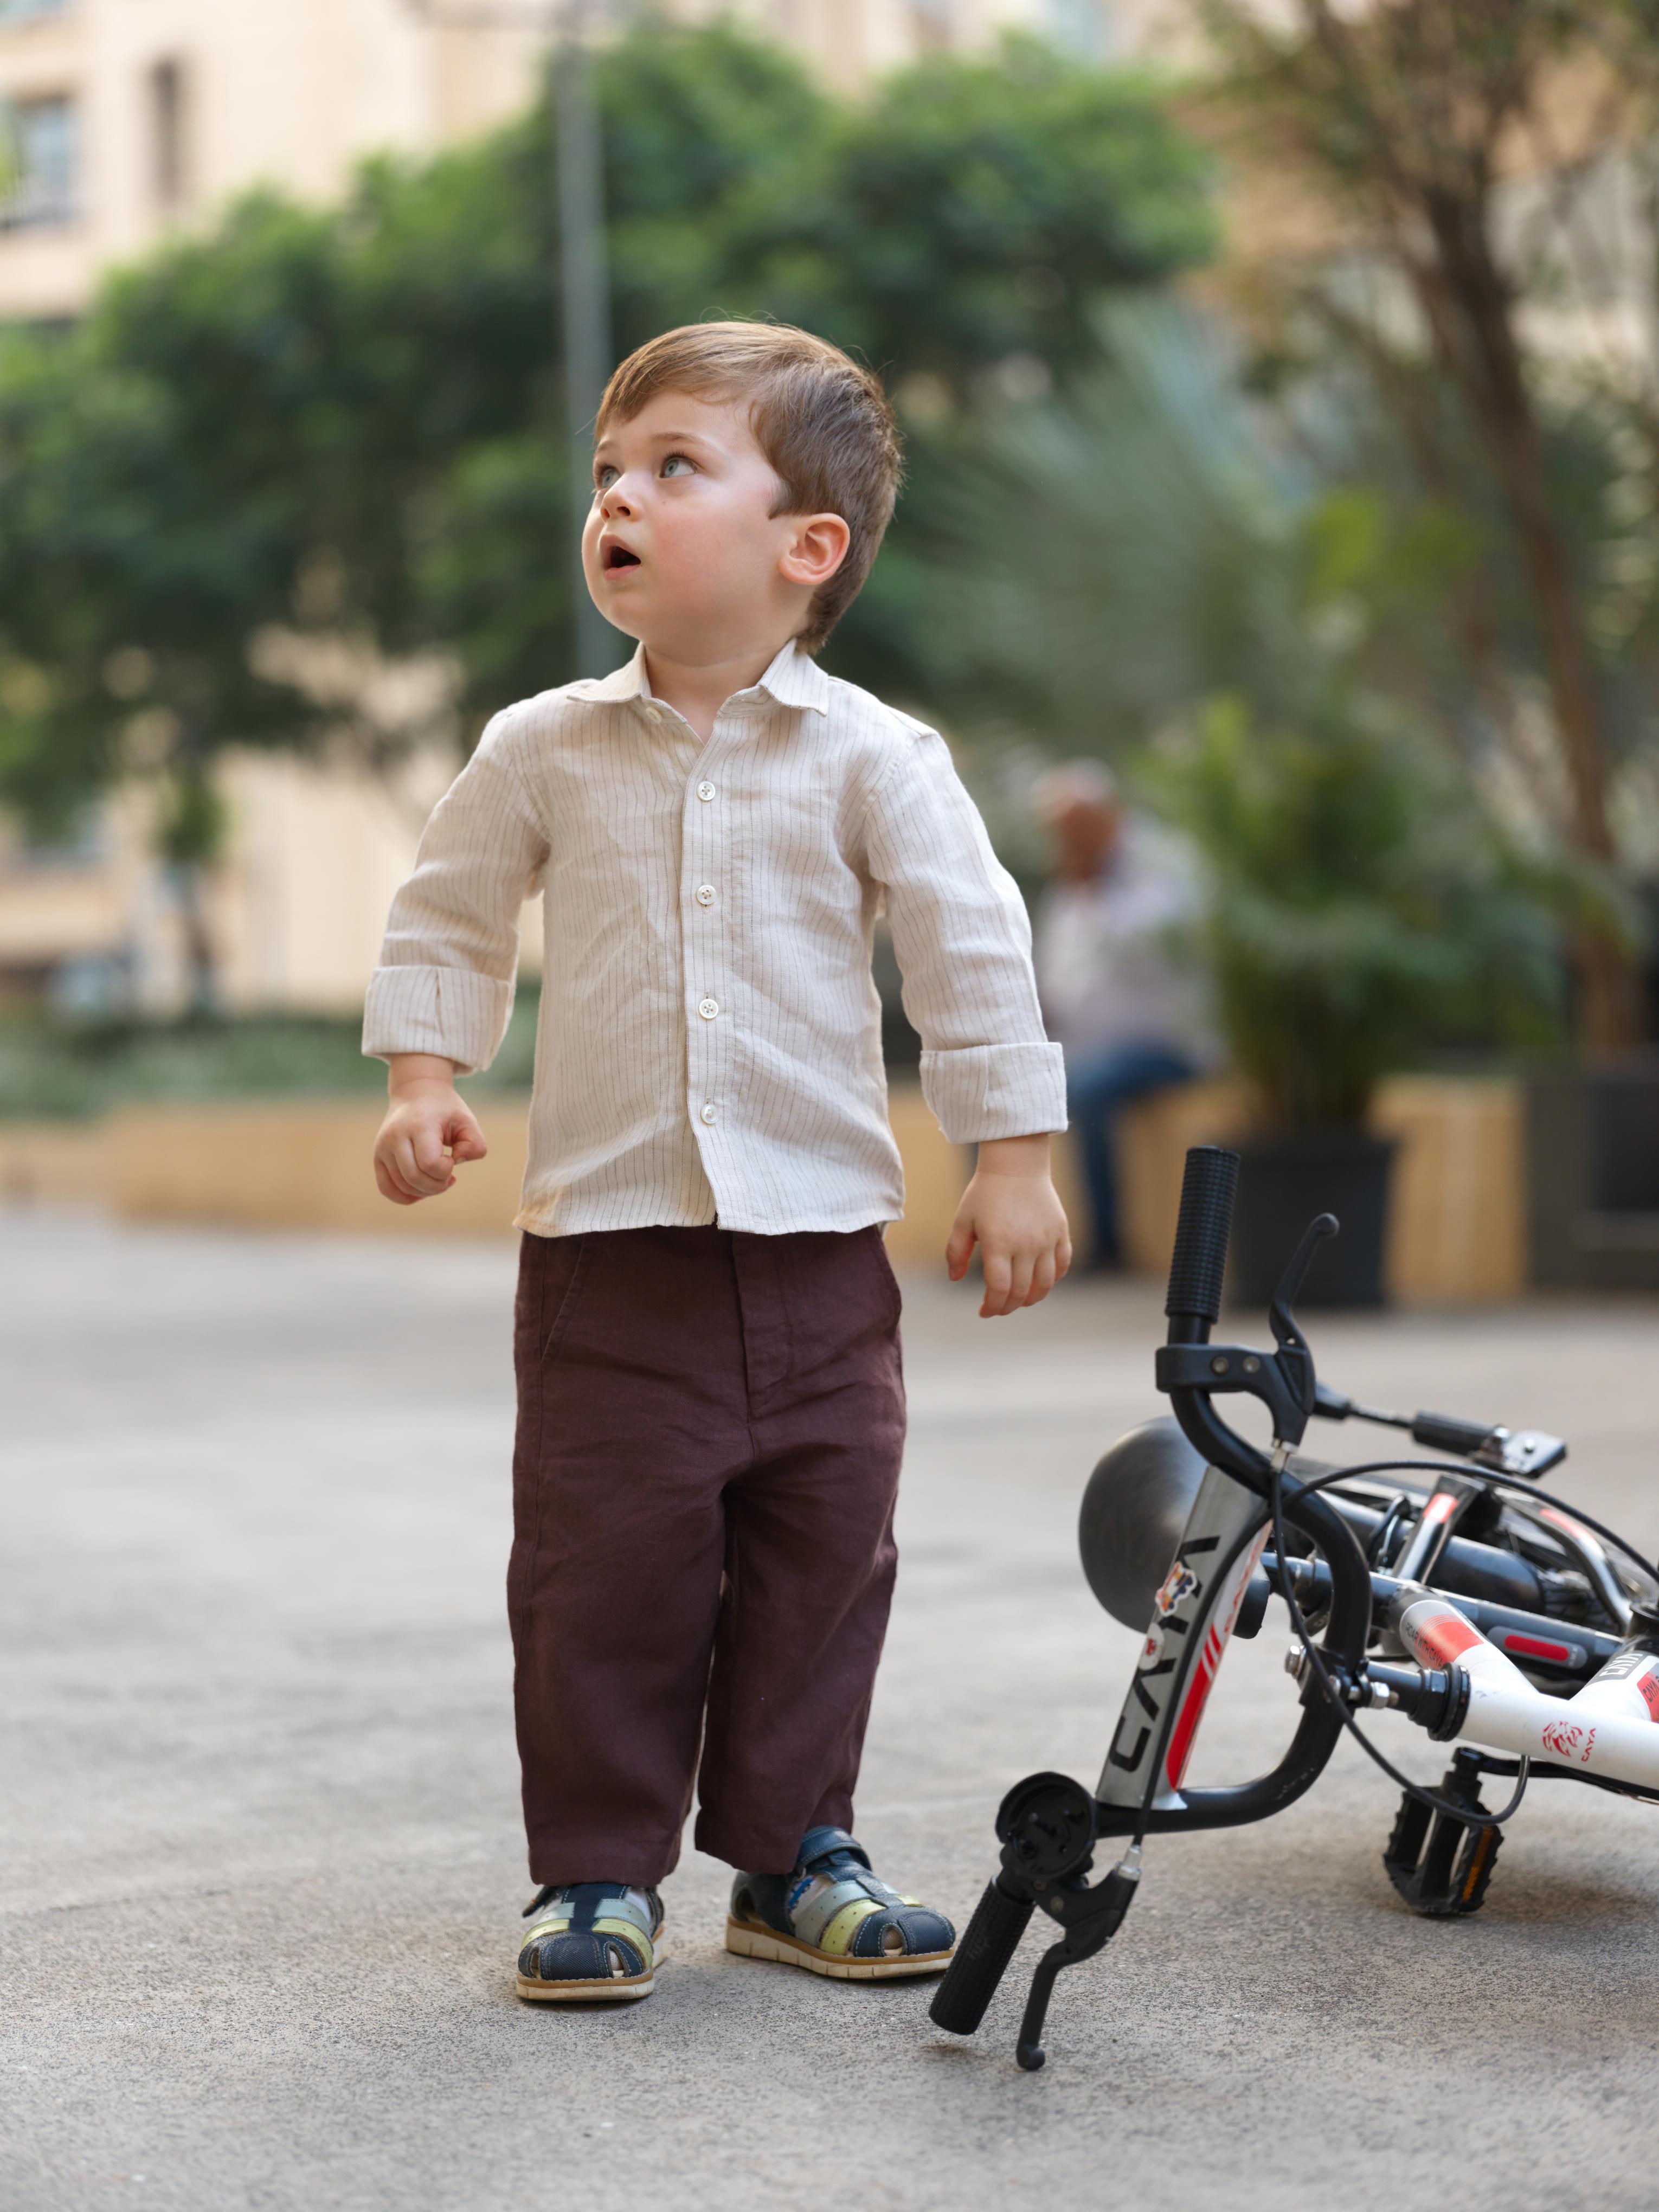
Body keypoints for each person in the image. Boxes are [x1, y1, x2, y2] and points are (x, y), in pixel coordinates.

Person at [363, 322, 1071, 2004]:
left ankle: (795, 1852)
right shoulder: (542, 744)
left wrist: (1015, 1157)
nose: (618, 495)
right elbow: (449, 907)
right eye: (608, 472)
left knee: (825, 1561)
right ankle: (598, 1872)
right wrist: (419, 1074)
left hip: (823, 1255)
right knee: (604, 1568)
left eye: (673, 466)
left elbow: (971, 947)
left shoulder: (877, 757)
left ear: (803, 547)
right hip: (611, 1258)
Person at [1031, 761, 1209, 1269]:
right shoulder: (1073, 878)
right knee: (1000, 1084)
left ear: (1106, 817)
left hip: (1164, 1044)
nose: (1065, 841)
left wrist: (1093, 890)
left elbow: (1159, 945)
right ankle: (998, 1232)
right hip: (1085, 1043)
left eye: (1075, 829)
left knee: (1088, 1088)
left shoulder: (1163, 862)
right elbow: (1060, 970)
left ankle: (1108, 1245)